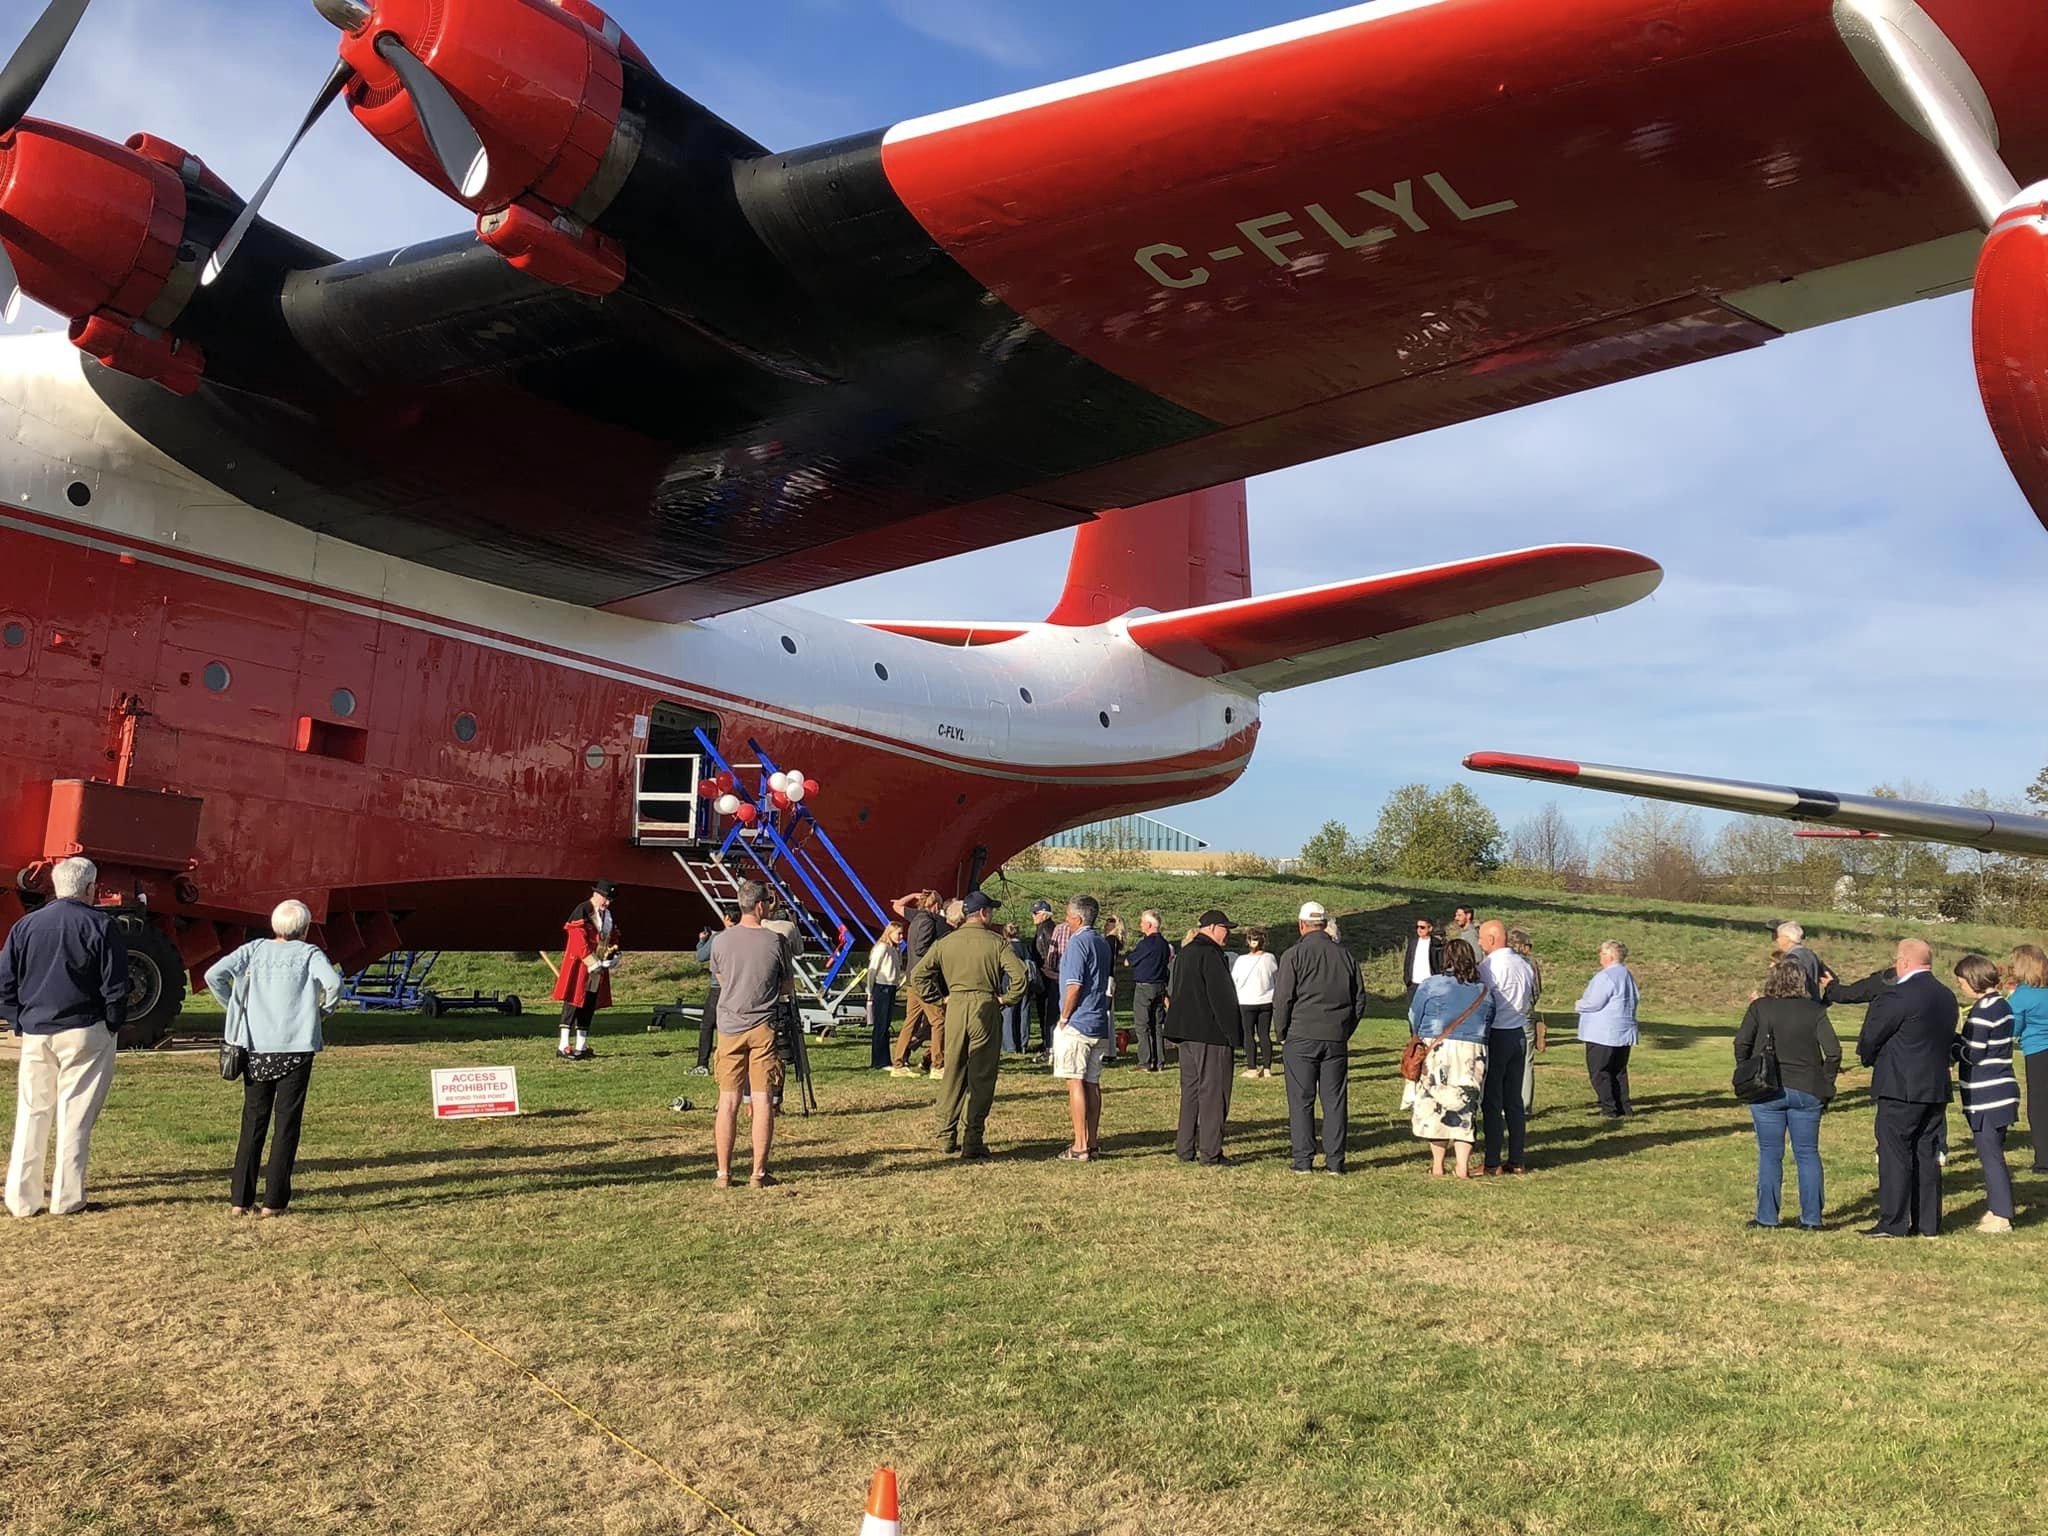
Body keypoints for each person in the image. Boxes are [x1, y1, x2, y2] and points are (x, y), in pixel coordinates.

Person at [1, 856, 126, 1219]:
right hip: (85, 1028)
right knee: (76, 1116)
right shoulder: (101, 925)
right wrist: (113, 1023)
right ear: (90, 888)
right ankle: (67, 1197)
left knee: (32, 1113)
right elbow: (115, 985)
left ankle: (21, 1200)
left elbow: (5, 981)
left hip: (38, 1030)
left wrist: (17, 1019)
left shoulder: (25, 926)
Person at [206, 900, 344, 1217]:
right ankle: (274, 1202)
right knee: (286, 1124)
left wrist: (235, 1008)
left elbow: (215, 974)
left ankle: (240, 1200)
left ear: (273, 925)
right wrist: (323, 1011)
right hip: (296, 1048)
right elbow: (334, 983)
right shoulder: (309, 954)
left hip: (255, 1046)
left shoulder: (254, 950)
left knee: (253, 1122)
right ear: (306, 928)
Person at [907, 891, 1028, 1159]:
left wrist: (938, 999)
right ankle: (973, 1138)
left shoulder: (946, 942)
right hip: (985, 1007)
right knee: (982, 1075)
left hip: (955, 1006)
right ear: (983, 913)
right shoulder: (997, 943)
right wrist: (1006, 1000)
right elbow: (1020, 977)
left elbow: (918, 975)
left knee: (953, 1071)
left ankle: (945, 1136)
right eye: (991, 911)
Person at [1854, 939, 1957, 1238]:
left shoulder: (1896, 996)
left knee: (1895, 1152)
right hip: (1935, 1085)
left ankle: (1894, 1222)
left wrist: (1868, 1058)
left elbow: (1871, 1038)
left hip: (1900, 1086)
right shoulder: (1946, 996)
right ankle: (1927, 1223)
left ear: (1903, 962)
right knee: (1926, 1151)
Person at [1733, 957, 1841, 1231]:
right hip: (1808, 1089)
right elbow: (1833, 1052)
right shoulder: (1814, 1011)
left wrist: (1747, 1068)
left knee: (1770, 1154)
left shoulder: (1760, 1008)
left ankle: (1767, 1217)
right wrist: (1826, 1081)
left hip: (1767, 1089)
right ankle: (1812, 1218)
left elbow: (1741, 1042)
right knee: (1807, 1153)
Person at [708, 881, 792, 1188]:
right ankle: (758, 1172)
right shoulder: (776, 941)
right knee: (762, 1100)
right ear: (760, 906)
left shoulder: (720, 941)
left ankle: (723, 1173)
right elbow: (786, 986)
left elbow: (720, 977)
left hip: (729, 1026)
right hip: (763, 1027)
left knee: (727, 1101)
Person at [1271, 907, 1363, 1174]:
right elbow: (1359, 1000)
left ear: (1302, 925)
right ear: (1323, 925)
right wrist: (1345, 1030)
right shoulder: (1345, 955)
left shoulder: (1294, 955)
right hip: (1335, 1037)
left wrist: (1282, 1032)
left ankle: (1303, 1160)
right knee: (1334, 1100)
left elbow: (1283, 999)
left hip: (1300, 1035)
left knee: (1301, 1099)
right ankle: (1335, 1162)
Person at [1405, 939, 1494, 1178]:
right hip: (1473, 1051)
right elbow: (1489, 1020)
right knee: (1466, 1106)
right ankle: (1463, 1167)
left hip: (1438, 1048)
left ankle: (1437, 1165)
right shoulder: (1483, 990)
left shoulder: (1432, 985)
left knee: (1434, 1104)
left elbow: (1414, 1014)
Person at [1166, 909, 1243, 1166]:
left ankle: (1185, 1147)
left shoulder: (1185, 953)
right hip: (1210, 1033)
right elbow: (1222, 998)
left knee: (1191, 1092)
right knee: (1213, 1093)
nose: (1227, 934)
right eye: (1225, 928)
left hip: (1185, 1032)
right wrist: (1233, 1034)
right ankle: (1211, 1152)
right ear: (1211, 927)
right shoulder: (1212, 955)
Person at [1953, 953, 2019, 1234]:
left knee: (1990, 1155)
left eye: (1961, 982)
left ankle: (2002, 1215)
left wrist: (1953, 1046)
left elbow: (1975, 1053)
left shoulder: (1982, 1011)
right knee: (1993, 1152)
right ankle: (1996, 1207)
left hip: (1986, 1095)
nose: (1960, 987)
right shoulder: (2003, 1005)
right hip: (2004, 1090)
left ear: (1973, 979)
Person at [1052, 895, 1115, 1161]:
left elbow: (1074, 984)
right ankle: (1092, 1141)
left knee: (1074, 1081)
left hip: (1078, 1021)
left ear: (1077, 918)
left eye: (1067, 915)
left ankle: (1079, 1145)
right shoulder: (1102, 942)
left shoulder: (1078, 943)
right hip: (1099, 1019)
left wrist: (1064, 1017)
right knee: (1092, 1082)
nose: (1066, 920)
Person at [1477, 920, 1537, 1174]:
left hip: (1497, 1034)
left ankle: (1492, 1160)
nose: (1479, 943)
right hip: (1518, 1033)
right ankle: (1517, 1157)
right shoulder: (1524, 965)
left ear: (1491, 939)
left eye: (1481, 938)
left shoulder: (1488, 967)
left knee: (1492, 1100)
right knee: (1514, 1100)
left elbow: (1482, 1000)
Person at [551, 878, 619, 1060]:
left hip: (598, 967)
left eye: (610, 900)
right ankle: (563, 1045)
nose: (608, 903)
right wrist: (593, 962)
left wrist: (613, 956)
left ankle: (581, 1045)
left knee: (589, 1003)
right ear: (596, 895)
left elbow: (612, 937)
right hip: (581, 966)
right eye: (606, 898)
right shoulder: (582, 910)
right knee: (573, 1002)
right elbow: (577, 939)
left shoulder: (607, 915)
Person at [1573, 941, 1640, 1118]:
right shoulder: (1627, 975)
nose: (1600, 957)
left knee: (1600, 1072)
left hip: (1602, 1032)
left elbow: (1595, 1002)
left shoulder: (1606, 976)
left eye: (1602, 954)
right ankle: (1624, 1106)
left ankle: (1609, 1108)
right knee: (1618, 1071)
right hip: (1623, 1031)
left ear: (1610, 956)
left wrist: (1579, 1004)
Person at [889, 889, 946, 1078]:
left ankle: (898, 1063)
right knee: (938, 1021)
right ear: (936, 905)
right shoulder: (929, 921)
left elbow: (897, 906)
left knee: (910, 1021)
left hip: (911, 977)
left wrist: (912, 895)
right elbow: (922, 948)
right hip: (925, 979)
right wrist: (937, 953)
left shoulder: (915, 917)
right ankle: (938, 1065)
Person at [2006, 944, 2048, 1173]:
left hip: (2038, 1052)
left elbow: (2012, 1029)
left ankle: (2044, 1160)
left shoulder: (2021, 997)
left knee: (2040, 1107)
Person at [692, 905, 738, 1077]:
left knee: (707, 1025)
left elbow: (701, 957)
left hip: (718, 987)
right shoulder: (744, 936)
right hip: (738, 985)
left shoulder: (717, 938)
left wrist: (702, 941)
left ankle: (702, 1064)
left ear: (726, 918)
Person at [1126, 911, 1173, 1073]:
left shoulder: (1145, 944)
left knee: (1142, 1024)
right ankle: (1159, 1060)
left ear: (1149, 925)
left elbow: (1128, 961)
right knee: (1157, 1024)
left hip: (1145, 986)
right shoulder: (1164, 944)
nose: (1140, 925)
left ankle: (1145, 1061)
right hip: (1160, 986)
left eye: (1142, 922)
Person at [1506, 925, 1545, 1116]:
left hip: (1507, 1014)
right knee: (1527, 1060)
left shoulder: (1504, 961)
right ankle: (1525, 1104)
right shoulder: (1530, 964)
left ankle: (1507, 1102)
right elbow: (1537, 990)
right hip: (1526, 1012)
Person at [1233, 928, 1278, 1080]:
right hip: (1266, 1000)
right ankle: (1267, 1068)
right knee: (1264, 1034)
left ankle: (1252, 1067)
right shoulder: (1270, 958)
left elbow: (1235, 980)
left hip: (1246, 1001)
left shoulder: (1241, 960)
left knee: (1248, 1034)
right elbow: (1275, 977)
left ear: (1247, 941)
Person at [867, 922, 906, 1070]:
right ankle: (879, 1061)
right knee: (881, 1025)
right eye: (899, 934)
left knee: (886, 1025)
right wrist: (870, 991)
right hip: (881, 988)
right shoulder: (882, 948)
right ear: (889, 933)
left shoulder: (894, 949)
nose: (901, 937)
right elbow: (872, 970)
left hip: (890, 988)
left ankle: (885, 1059)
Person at [1000, 922, 1038, 1053]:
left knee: (1008, 1014)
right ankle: (1022, 1044)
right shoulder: (1025, 947)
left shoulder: (1005, 947)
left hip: (1007, 983)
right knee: (1024, 1013)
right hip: (1025, 983)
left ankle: (1009, 1045)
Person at [1772, 921, 1831, 1002]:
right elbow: (1831, 978)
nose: (1777, 940)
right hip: (1814, 1006)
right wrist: (1825, 1001)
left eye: (1778, 936)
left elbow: (1787, 986)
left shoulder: (1791, 959)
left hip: (1797, 1005)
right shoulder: (1811, 954)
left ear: (1787, 938)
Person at [1029, 900, 1059, 1052]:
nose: (1032, 916)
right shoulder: (1043, 928)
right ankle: (1046, 1040)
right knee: (1043, 1010)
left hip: (1048, 976)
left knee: (1047, 1010)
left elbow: (1050, 955)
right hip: (1046, 975)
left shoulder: (1046, 930)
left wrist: (1045, 970)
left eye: (1035, 913)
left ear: (1043, 914)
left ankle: (1049, 1043)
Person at [1400, 917, 1444, 1003]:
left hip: (1430, 983)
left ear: (1430, 928)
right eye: (1417, 927)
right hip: (1413, 984)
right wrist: (1407, 979)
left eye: (1422, 927)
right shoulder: (1413, 942)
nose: (1419, 929)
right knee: (1413, 1012)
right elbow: (1408, 961)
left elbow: (1440, 963)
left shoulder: (1437, 943)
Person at [1100, 915, 1125, 1063]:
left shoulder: (1109, 941)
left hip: (1106, 980)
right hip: (1111, 979)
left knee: (1106, 1014)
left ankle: (1107, 1051)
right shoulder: (1115, 942)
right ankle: (1109, 1051)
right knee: (1109, 1013)